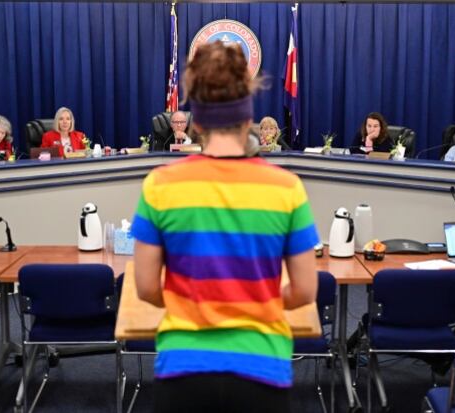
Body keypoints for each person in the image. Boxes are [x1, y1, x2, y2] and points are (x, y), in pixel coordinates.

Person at [131, 41, 319, 413]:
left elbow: (147, 287)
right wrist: (254, 300)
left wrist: (197, 302)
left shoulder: (159, 186)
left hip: (183, 369)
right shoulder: (287, 188)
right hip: (261, 368)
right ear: (248, 119)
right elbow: (305, 290)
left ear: (196, 122)